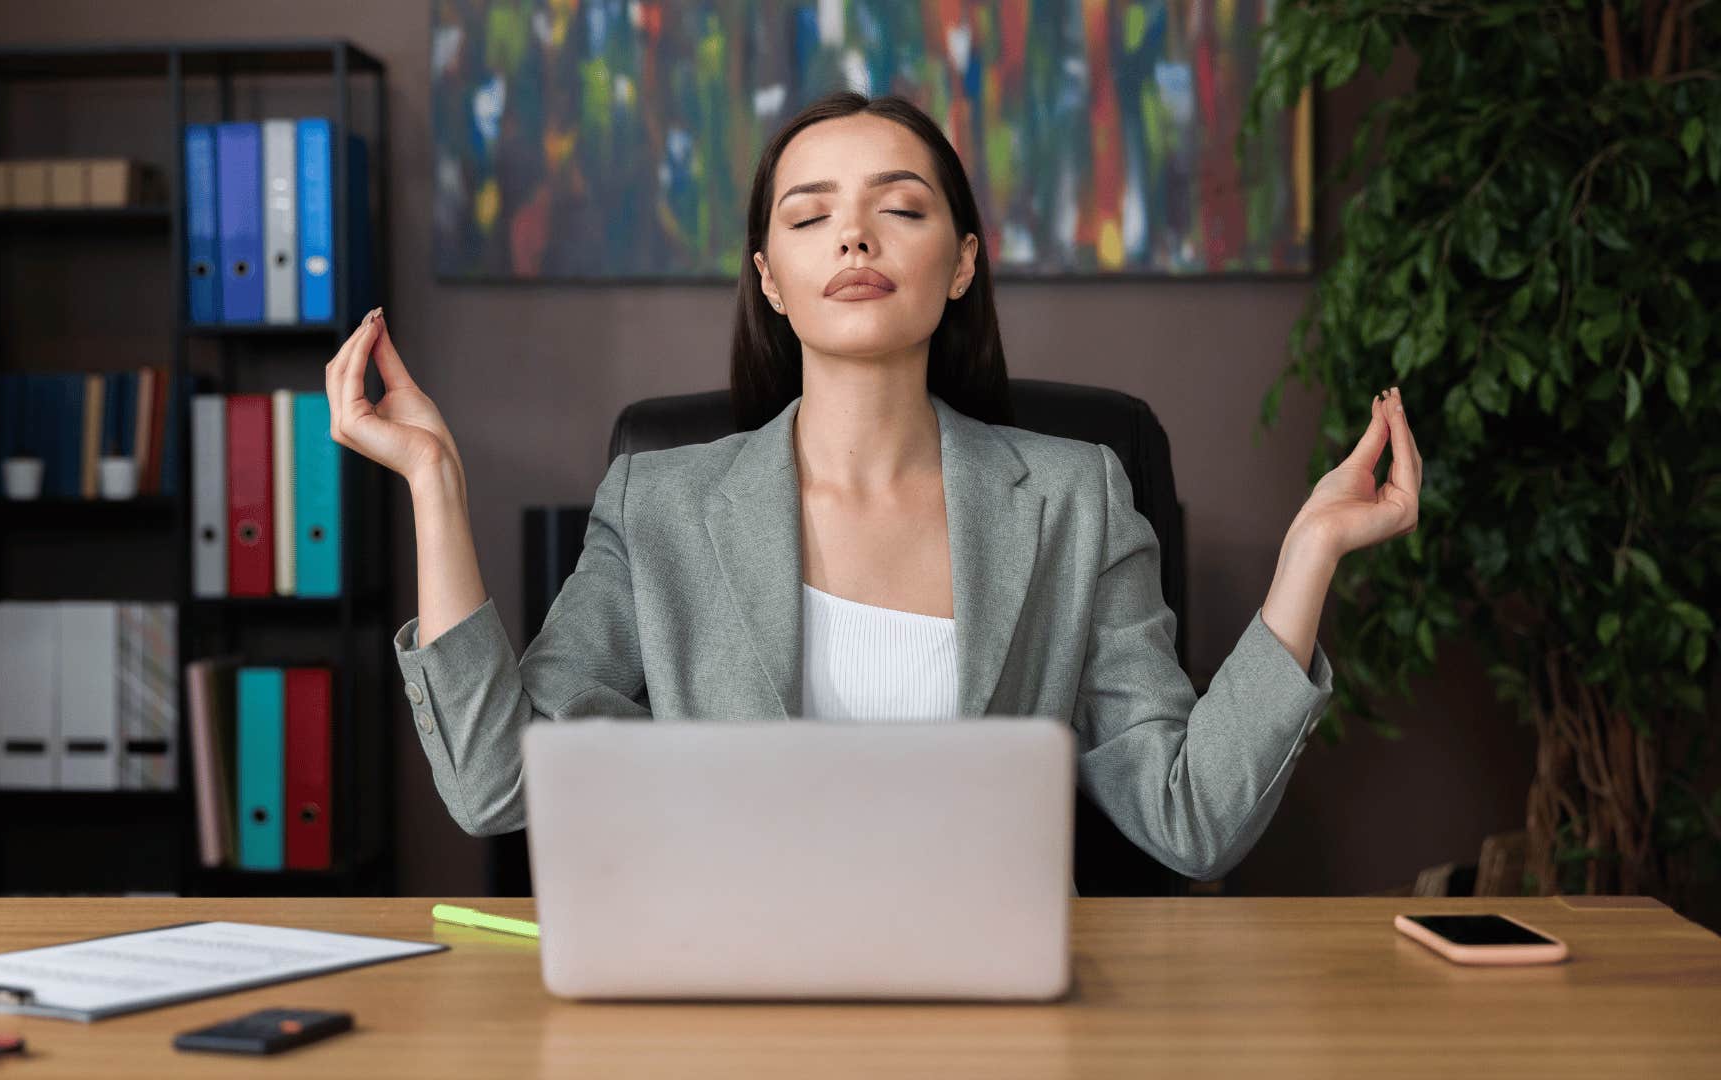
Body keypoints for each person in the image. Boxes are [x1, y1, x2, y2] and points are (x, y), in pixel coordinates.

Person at [325, 91, 1423, 883]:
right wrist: (434, 480)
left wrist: (1309, 555)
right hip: (729, 990)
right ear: (772, 281)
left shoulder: (1078, 495)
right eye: (807, 216)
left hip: (995, 1000)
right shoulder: (655, 504)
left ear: (960, 263)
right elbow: (496, 787)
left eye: (899, 207)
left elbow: (1190, 818)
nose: (852, 232)